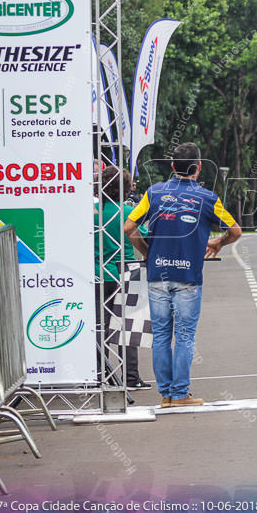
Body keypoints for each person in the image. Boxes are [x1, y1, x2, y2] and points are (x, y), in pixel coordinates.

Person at [125, 143, 242, 407]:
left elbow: (129, 226)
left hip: (157, 274)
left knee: (162, 335)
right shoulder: (208, 198)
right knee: (185, 336)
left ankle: (166, 394)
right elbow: (235, 230)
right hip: (188, 277)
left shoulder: (153, 193)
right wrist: (218, 243)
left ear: (172, 167)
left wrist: (146, 250)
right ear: (199, 167)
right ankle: (180, 394)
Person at [94, 166, 149, 391]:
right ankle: (131, 377)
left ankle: (102, 375)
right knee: (128, 328)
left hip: (97, 274)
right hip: (124, 272)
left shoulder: (93, 212)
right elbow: (144, 237)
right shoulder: (128, 212)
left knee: (100, 328)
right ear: (125, 188)